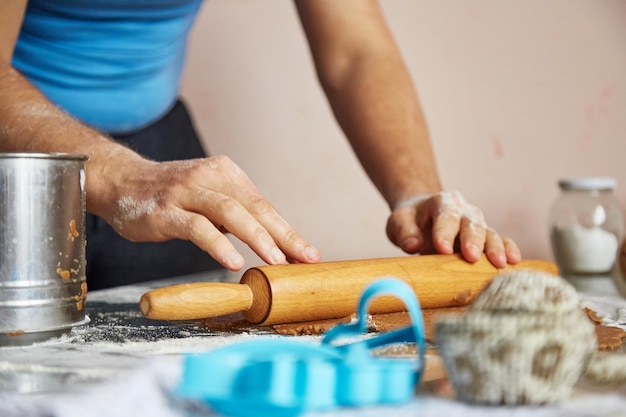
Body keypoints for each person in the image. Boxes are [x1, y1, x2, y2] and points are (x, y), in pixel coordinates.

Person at [0, 0, 521, 290]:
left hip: (157, 149)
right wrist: (118, 175)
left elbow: (356, 51)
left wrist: (415, 193)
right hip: (17, 154)